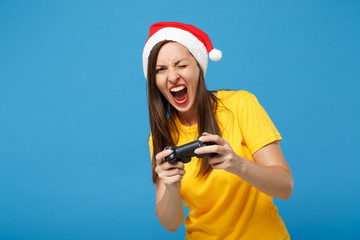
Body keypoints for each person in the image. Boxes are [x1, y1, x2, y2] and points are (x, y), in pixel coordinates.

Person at [142, 22, 294, 240]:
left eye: (181, 65)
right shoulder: (160, 135)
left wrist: (237, 164)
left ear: (199, 68)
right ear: (154, 80)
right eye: (161, 70)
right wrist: (171, 187)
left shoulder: (241, 104)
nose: (172, 77)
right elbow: (171, 224)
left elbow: (285, 187)